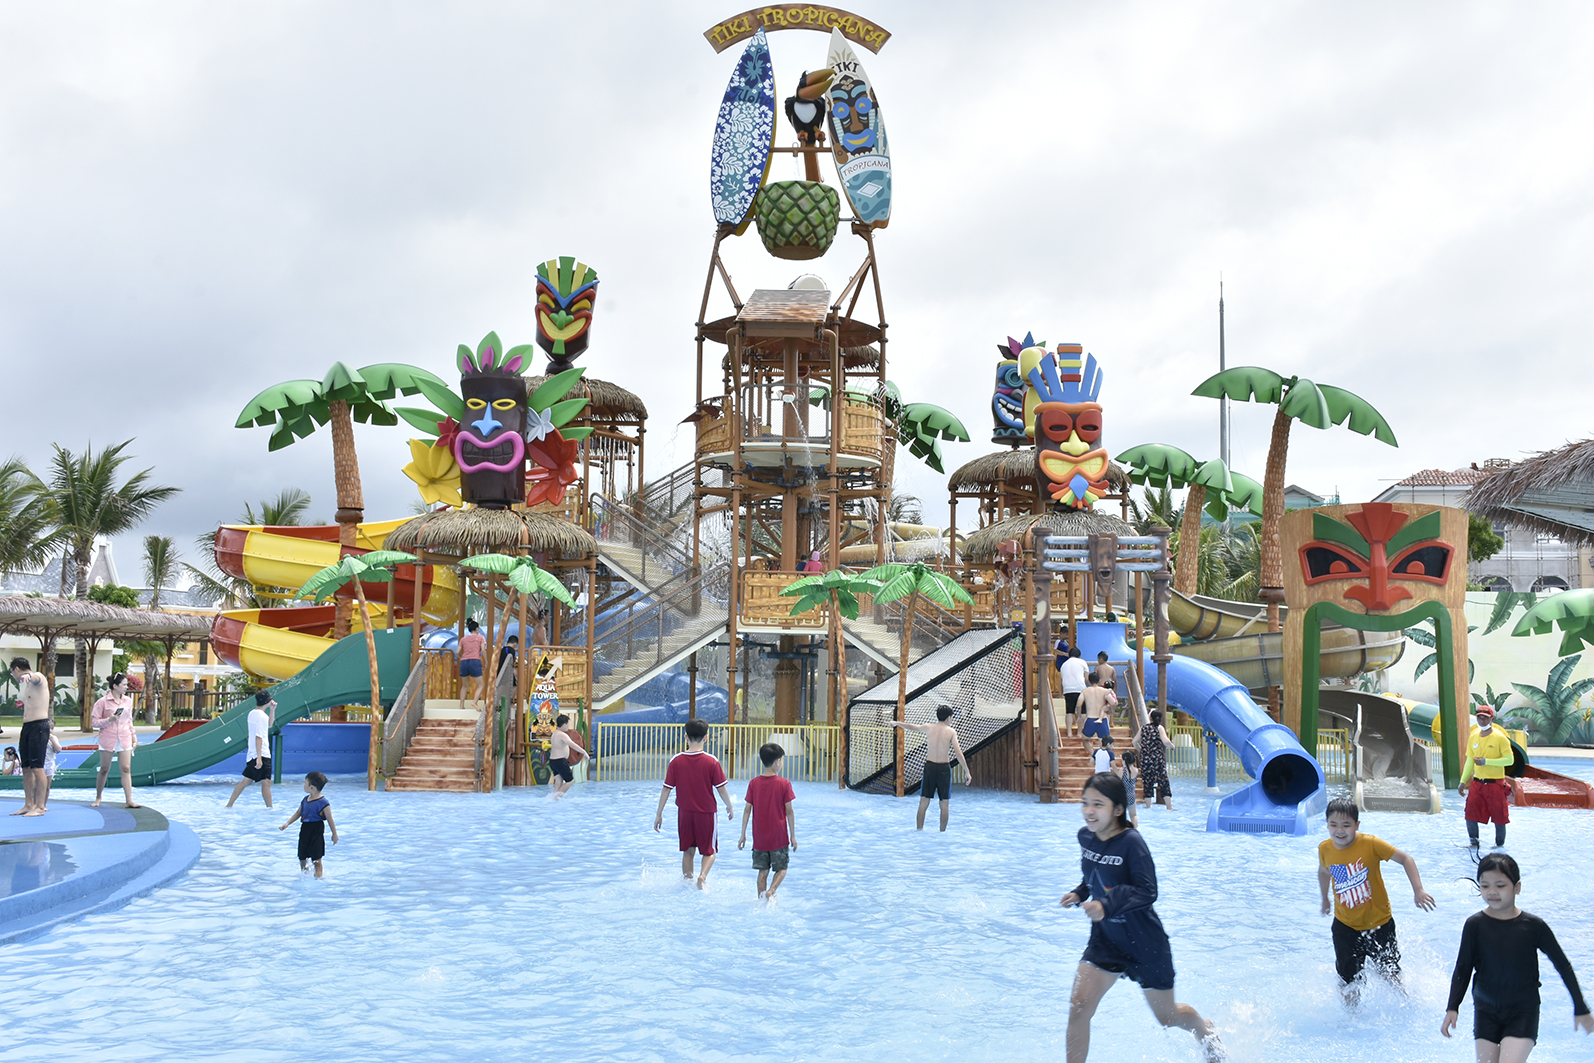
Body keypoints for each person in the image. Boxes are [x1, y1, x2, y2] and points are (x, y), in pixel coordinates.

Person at [1060, 772, 1224, 1063]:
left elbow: (1148, 891)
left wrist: (1106, 905)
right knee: (1079, 1006)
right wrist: (1079, 893)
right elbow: (1094, 876)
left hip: (1145, 944)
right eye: (1085, 803)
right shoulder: (1086, 837)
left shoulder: (1132, 842)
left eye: (1098, 804)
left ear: (1118, 809)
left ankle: (1205, 1029)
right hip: (1106, 941)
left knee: (1168, 1017)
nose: (1088, 811)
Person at [1442, 853, 1592, 1059]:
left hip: (1523, 1011)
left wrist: (1580, 1007)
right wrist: (1452, 1007)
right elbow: (1463, 967)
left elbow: (1562, 965)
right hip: (1486, 1011)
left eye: (1500, 885)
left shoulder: (1534, 926)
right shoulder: (1474, 925)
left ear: (1517, 887)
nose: (1492, 892)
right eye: (1485, 885)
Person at [1318, 797, 1436, 1000]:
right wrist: (1325, 898)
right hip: (1345, 925)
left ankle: (1406, 1001)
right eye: (1333, 824)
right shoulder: (1325, 848)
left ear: (1357, 825)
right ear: (1327, 824)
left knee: (1388, 972)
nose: (1340, 830)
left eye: (1346, 825)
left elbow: (1406, 859)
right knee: (1348, 981)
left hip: (1379, 924)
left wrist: (1418, 890)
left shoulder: (1370, 844)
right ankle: (1351, 1015)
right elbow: (1323, 872)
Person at [652, 718, 734, 889]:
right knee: (709, 851)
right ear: (706, 738)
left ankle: (687, 882)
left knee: (688, 852)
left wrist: (659, 814)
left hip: (685, 814)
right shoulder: (711, 761)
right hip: (706, 813)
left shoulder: (676, 761)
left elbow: (666, 789)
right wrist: (729, 806)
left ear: (686, 737)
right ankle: (702, 877)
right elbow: (721, 788)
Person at [891, 706, 975, 831]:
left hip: (930, 767)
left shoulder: (928, 727)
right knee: (944, 804)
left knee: (923, 802)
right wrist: (967, 771)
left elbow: (912, 726)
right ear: (948, 718)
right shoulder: (951, 732)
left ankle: (919, 830)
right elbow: (958, 753)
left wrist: (897, 723)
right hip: (943, 768)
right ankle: (942, 833)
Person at [738, 742, 797, 902]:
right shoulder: (784, 784)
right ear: (778, 761)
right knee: (782, 869)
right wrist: (793, 836)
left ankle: (761, 900)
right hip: (779, 838)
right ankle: (771, 891)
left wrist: (743, 834)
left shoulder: (754, 783)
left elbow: (747, 810)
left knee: (762, 872)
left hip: (760, 839)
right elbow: (789, 811)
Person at [1460, 705, 1514, 853]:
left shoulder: (1500, 738)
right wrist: (1463, 781)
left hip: (1495, 784)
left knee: (1499, 816)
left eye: (1485, 718)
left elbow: (1509, 760)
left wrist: (1486, 761)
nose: (1482, 720)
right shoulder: (1473, 737)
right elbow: (1470, 761)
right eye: (1479, 717)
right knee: (1470, 813)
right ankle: (1474, 843)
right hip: (1477, 783)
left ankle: (1499, 845)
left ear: (1492, 719)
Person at [90, 672, 141, 809]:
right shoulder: (102, 702)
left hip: (124, 736)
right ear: (115, 686)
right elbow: (94, 722)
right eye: (124, 684)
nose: (126, 687)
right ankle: (98, 797)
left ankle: (129, 800)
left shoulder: (128, 701)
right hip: (108, 737)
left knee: (126, 768)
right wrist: (109, 719)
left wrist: (134, 736)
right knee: (104, 769)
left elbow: (129, 720)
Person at [10, 657, 51, 817]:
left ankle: (40, 806)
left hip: (39, 727)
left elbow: (36, 677)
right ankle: (29, 804)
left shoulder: (38, 678)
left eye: (13, 672)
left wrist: (29, 676)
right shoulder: (28, 687)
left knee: (37, 767)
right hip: (27, 727)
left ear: (17, 669)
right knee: (26, 768)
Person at [279, 771, 338, 878]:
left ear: (312, 787)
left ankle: (318, 878)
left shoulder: (323, 803)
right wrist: (287, 823)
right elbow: (298, 813)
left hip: (316, 830)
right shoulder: (305, 800)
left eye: (305, 783)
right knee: (302, 857)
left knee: (317, 859)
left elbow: (330, 819)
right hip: (305, 829)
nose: (303, 785)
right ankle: (305, 875)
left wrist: (334, 834)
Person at [226, 690, 276, 808]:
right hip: (261, 754)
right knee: (266, 783)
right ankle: (270, 809)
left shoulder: (252, 713)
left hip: (253, 753)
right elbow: (259, 737)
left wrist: (272, 710)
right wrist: (259, 758)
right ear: (267, 701)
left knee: (247, 781)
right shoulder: (262, 716)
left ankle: (229, 805)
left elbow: (269, 725)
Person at [1138, 708, 1174, 811]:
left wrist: (1142, 751)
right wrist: (1172, 746)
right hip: (1157, 759)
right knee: (1163, 781)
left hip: (1145, 759)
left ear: (1150, 718)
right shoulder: (1159, 728)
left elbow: (1134, 742)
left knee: (1147, 782)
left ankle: (1148, 806)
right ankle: (1169, 807)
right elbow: (1165, 741)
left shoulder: (1143, 728)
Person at [547, 714, 588, 799]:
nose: (569, 727)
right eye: (568, 725)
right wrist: (584, 752)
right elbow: (572, 745)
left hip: (553, 761)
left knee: (559, 782)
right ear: (564, 725)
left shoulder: (554, 734)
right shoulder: (562, 735)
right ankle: (556, 797)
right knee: (570, 781)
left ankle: (553, 800)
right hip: (560, 761)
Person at [1078, 670, 1113, 756]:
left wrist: (1079, 715)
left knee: (1085, 739)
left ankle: (1093, 754)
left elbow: (1079, 704)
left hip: (1091, 719)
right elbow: (1113, 702)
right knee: (1104, 743)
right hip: (1103, 720)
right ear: (1100, 681)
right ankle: (1103, 758)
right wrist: (1110, 710)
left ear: (1089, 681)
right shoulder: (1104, 691)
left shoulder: (1085, 691)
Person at [1060, 647, 1090, 736]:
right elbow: (1086, 678)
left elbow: (1061, 679)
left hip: (1068, 689)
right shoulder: (1082, 662)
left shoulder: (1064, 664)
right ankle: (1079, 732)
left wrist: (1061, 693)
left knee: (1069, 711)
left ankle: (1069, 732)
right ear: (1079, 655)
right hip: (1080, 689)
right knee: (1082, 711)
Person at [458, 618, 487, 708]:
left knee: (464, 686)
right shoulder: (480, 638)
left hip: (464, 662)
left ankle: (461, 705)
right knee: (481, 685)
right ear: (477, 629)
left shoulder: (463, 639)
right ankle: (474, 702)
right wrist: (486, 661)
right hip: (475, 661)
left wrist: (461, 657)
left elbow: (457, 651)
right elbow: (483, 650)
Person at [41, 731, 62, 810]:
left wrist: (52, 739)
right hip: (41, 763)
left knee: (47, 787)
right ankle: (36, 804)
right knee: (38, 786)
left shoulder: (53, 738)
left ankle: (43, 805)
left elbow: (58, 750)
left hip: (50, 763)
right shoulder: (39, 737)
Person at [1119, 749, 1140, 827]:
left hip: (1123, 795)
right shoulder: (1136, 770)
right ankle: (1135, 829)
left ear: (1124, 760)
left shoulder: (1122, 770)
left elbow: (1118, 782)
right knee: (1133, 815)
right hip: (1132, 794)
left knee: (1121, 815)